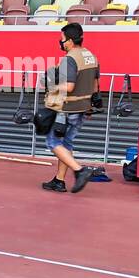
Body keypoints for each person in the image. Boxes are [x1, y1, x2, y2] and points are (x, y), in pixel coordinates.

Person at [42, 22, 105, 194]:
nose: (61, 42)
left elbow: (69, 87)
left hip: (67, 108)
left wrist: (51, 84)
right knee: (67, 143)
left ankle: (79, 170)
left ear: (69, 40)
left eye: (62, 39)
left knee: (53, 142)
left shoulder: (70, 59)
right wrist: (91, 107)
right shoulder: (91, 56)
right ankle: (59, 181)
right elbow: (95, 85)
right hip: (82, 108)